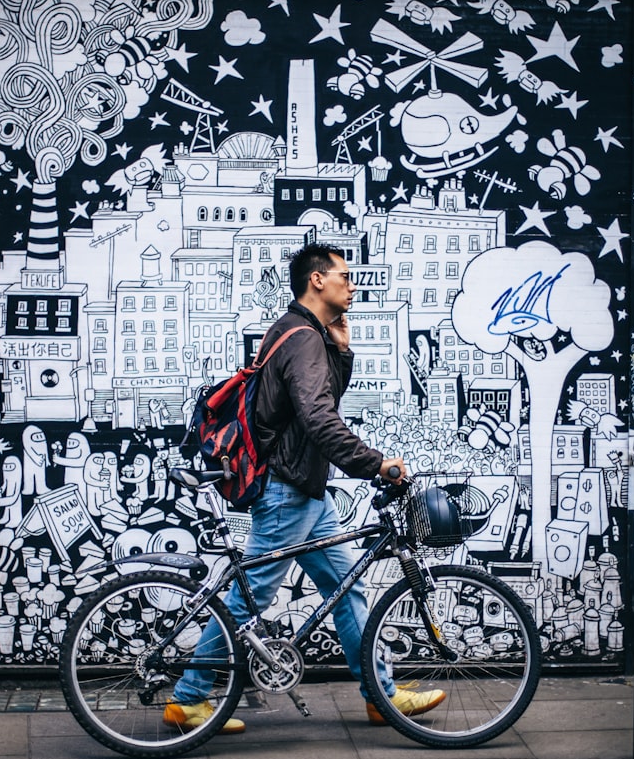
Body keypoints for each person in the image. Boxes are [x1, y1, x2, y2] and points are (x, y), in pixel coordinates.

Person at [164, 244, 446, 734]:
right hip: (287, 489)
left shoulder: (303, 333)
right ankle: (188, 699)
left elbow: (319, 400)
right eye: (344, 275)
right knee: (248, 598)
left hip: (304, 490)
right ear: (317, 280)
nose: (351, 284)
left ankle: (380, 694)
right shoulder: (301, 338)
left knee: (345, 586)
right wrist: (376, 464)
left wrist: (341, 348)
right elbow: (320, 419)